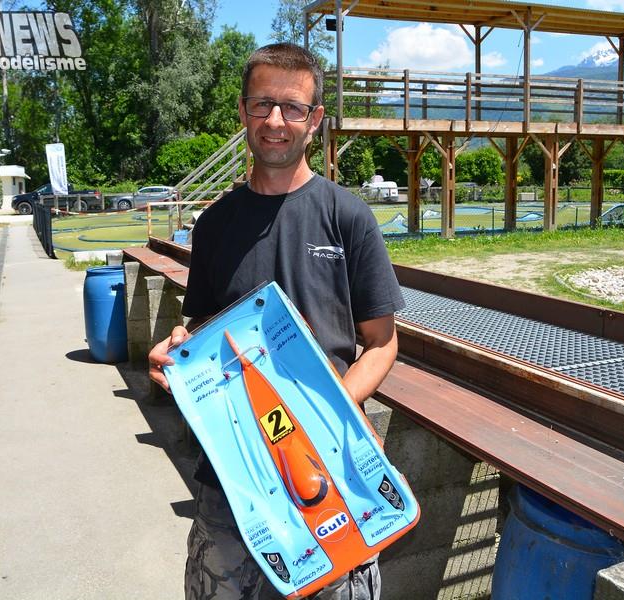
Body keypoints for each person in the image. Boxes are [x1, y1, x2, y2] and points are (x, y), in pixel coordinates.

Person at [148, 43, 404, 600]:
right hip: (234, 473)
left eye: (292, 108)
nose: (275, 122)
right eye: (262, 105)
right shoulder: (214, 225)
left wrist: (325, 411)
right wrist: (176, 354)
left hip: (330, 467)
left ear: (314, 121)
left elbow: (382, 344)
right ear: (243, 111)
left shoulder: (348, 217)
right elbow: (201, 331)